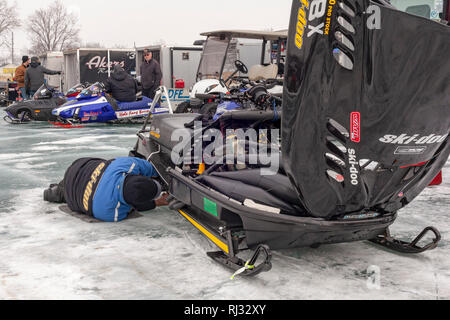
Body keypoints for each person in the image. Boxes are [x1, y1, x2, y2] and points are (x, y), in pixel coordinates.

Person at [44, 157, 169, 222]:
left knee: (106, 164)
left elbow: (152, 167)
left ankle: (59, 188)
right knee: (75, 196)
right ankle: (58, 193)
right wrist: (157, 202)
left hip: (79, 166)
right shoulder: (111, 214)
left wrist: (154, 176)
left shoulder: (125, 165)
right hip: (72, 196)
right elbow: (135, 207)